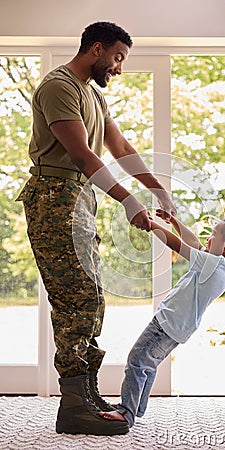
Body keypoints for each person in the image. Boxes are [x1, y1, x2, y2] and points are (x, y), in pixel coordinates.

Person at [16, 21, 176, 436]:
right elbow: (84, 155)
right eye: (118, 57)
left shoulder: (92, 95)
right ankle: (74, 406)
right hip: (54, 198)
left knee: (91, 298)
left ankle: (84, 394)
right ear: (96, 49)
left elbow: (119, 148)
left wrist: (160, 192)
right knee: (76, 299)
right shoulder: (59, 87)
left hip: (78, 200)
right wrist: (129, 200)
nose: (119, 68)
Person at [99, 209, 225, 428]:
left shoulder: (212, 265)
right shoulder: (223, 268)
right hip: (176, 328)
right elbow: (193, 241)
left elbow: (179, 246)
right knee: (148, 364)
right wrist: (174, 221)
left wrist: (153, 226)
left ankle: (127, 412)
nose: (207, 238)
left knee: (136, 360)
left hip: (166, 324)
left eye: (213, 235)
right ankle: (135, 406)